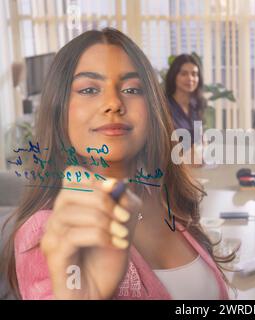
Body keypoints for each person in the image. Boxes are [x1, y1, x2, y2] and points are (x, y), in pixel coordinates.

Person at [1, 28, 229, 300]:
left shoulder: (164, 197)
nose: (113, 103)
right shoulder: (52, 231)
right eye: (88, 89)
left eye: (132, 89)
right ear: (58, 109)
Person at [165, 54, 207, 146]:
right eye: (184, 74)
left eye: (194, 74)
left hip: (198, 158)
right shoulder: (164, 107)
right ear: (174, 76)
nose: (190, 78)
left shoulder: (196, 105)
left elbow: (200, 140)